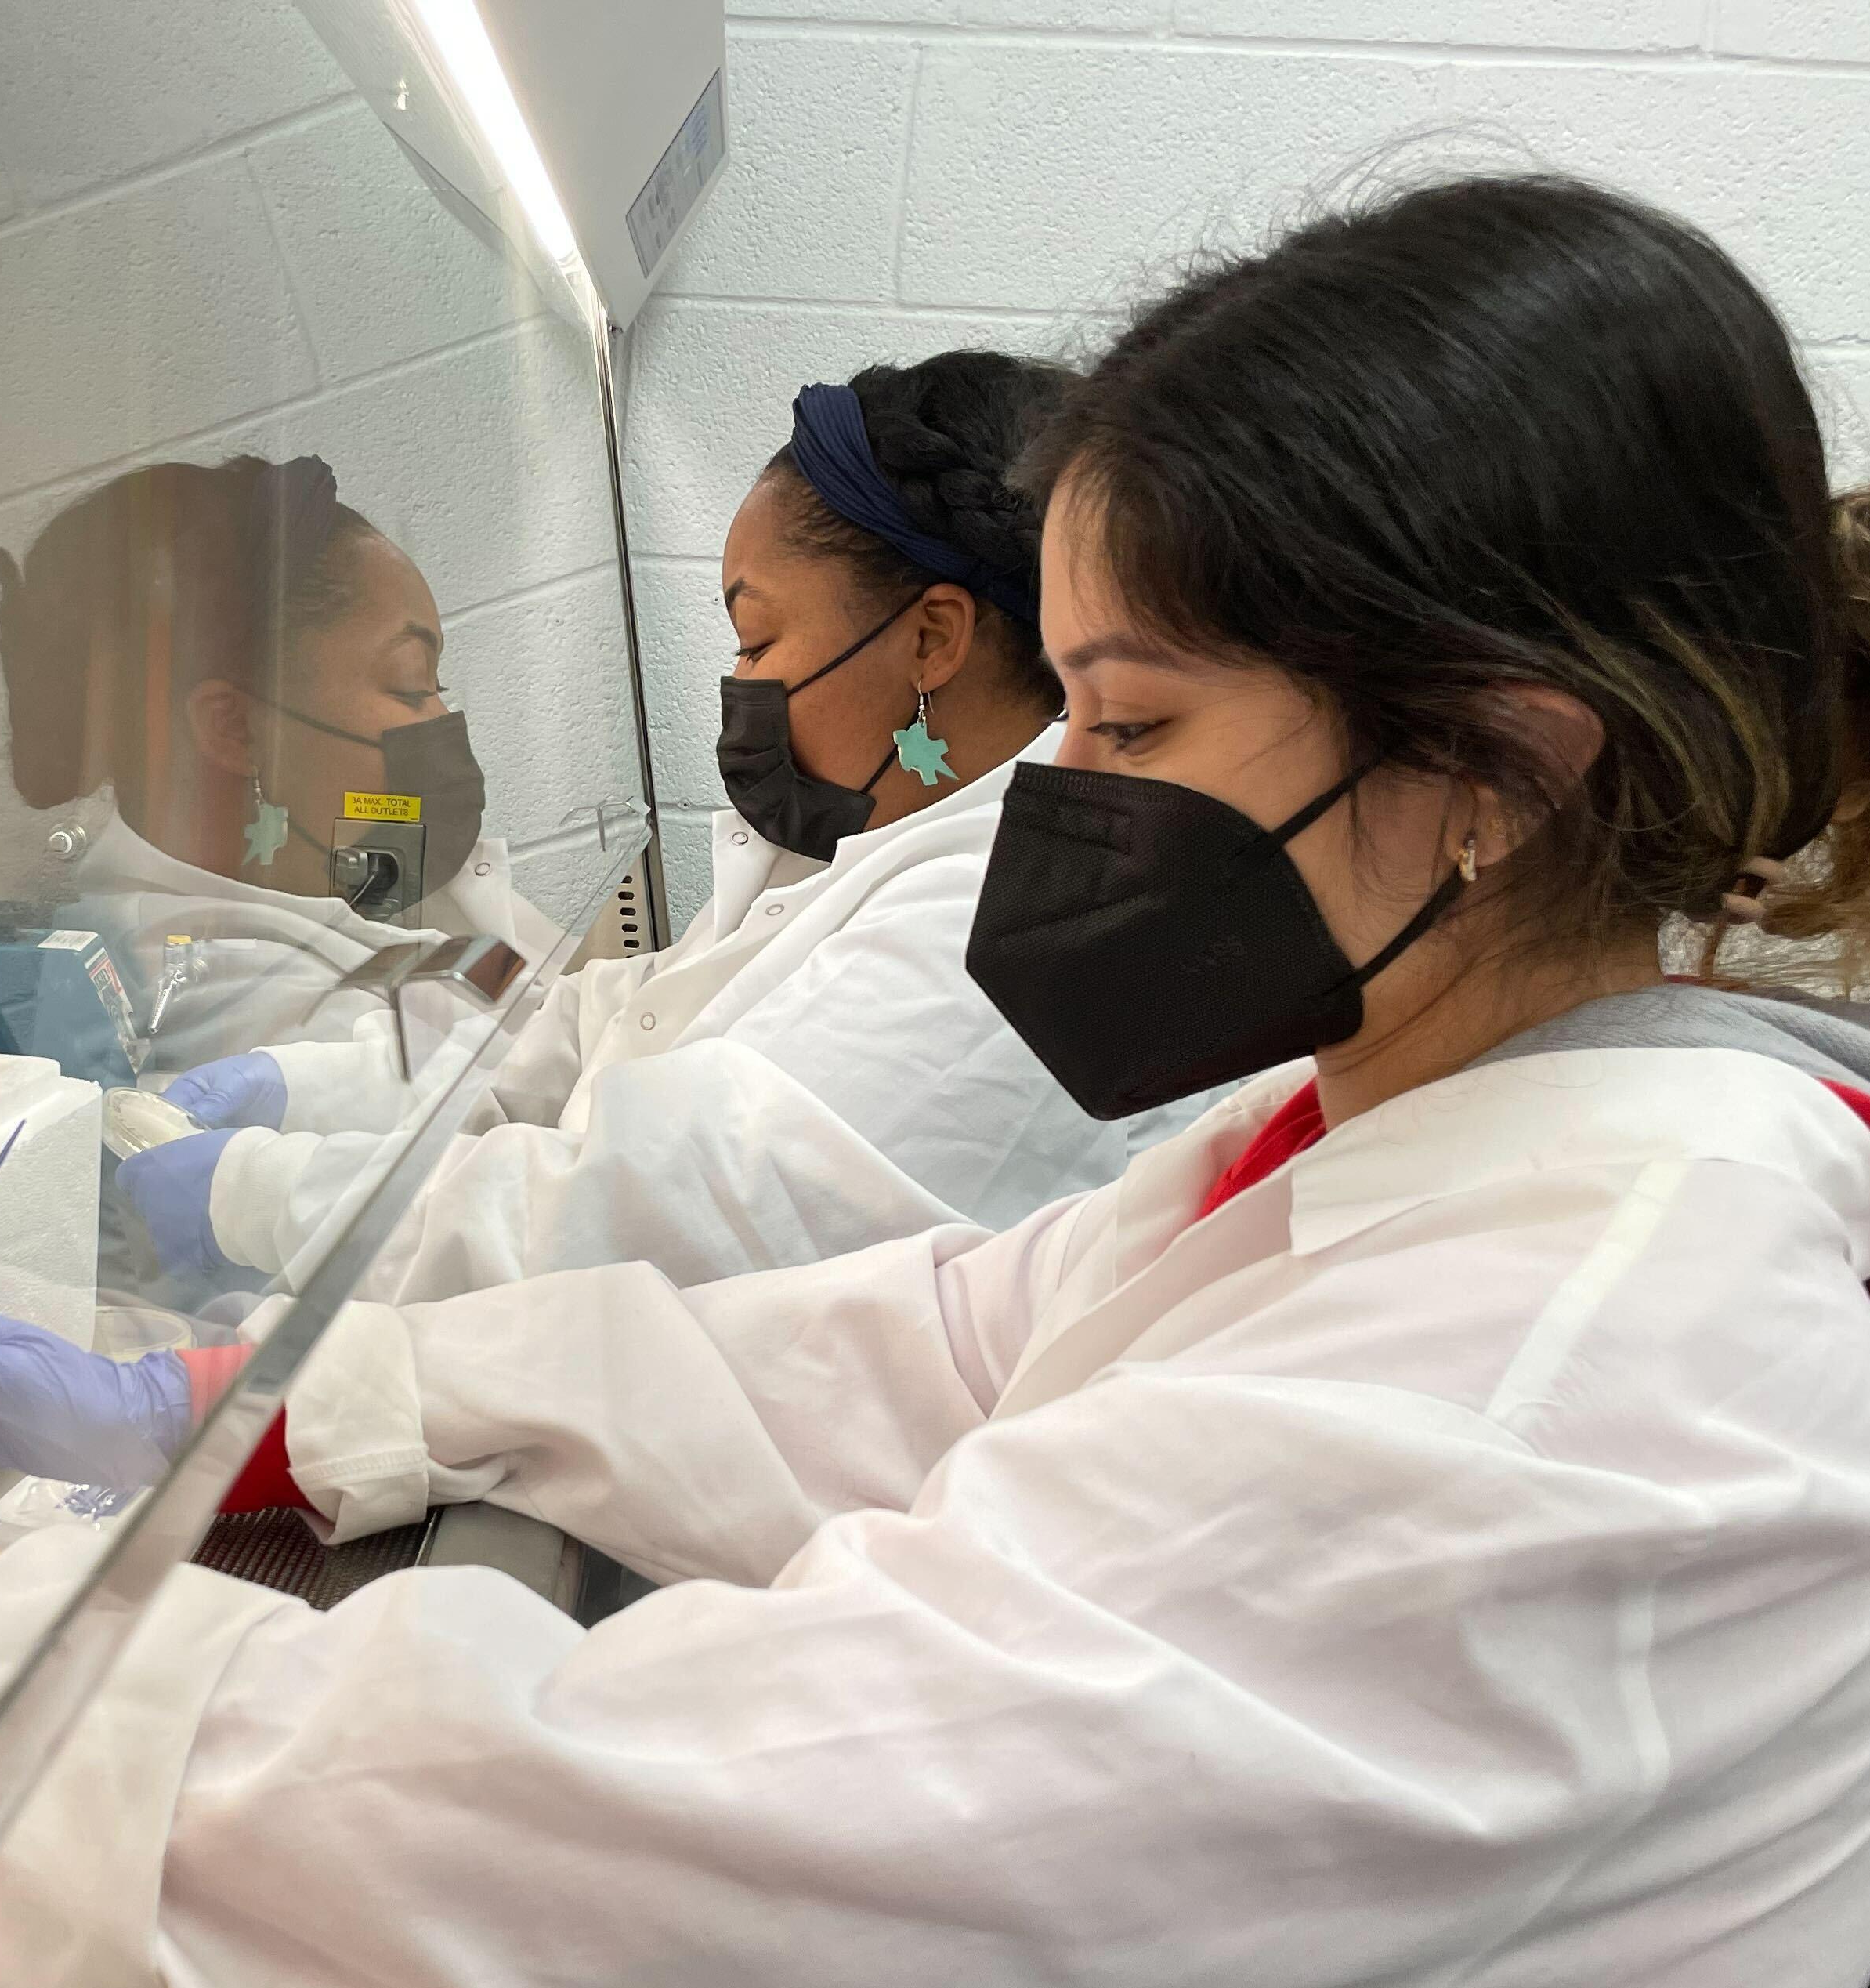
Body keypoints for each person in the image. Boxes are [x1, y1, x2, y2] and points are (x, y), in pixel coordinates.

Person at [0, 174, 1870, 1988]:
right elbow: (916, 1349)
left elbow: (642, 1824)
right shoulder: (1436, 1140)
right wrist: (279, 1417)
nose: (1041, 800)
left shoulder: (1579, 1379)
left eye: (1136, 729)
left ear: (1499, 773)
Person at [105, 351, 1200, 1316]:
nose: (738, 687)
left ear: (931, 643)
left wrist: (243, 1195)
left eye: (758, 641)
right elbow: (596, 1024)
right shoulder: (879, 854)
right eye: (406, 686)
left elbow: (628, 1222)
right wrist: (299, 1097)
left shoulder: (1000, 929)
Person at [0, 454, 556, 1079]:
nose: (440, 718)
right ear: (236, 729)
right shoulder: (211, 998)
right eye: (411, 686)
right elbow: (554, 1087)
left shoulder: (360, 877)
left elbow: (570, 1008)